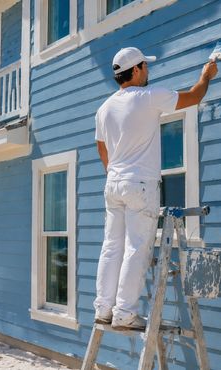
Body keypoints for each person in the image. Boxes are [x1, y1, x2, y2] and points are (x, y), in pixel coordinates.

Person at [94, 47, 218, 330]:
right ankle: (125, 313)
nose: (148, 71)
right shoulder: (148, 97)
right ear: (135, 70)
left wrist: (116, 174)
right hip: (139, 184)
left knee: (111, 247)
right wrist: (206, 75)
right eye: (145, 66)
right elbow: (195, 96)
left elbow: (102, 148)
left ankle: (104, 308)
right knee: (136, 248)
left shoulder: (104, 109)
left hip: (113, 183)